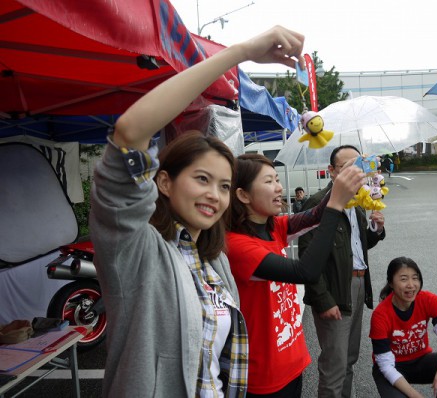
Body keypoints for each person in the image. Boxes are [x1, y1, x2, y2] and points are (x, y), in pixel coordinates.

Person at [89, 26, 306, 397]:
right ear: (164, 182)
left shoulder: (212, 261)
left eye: (224, 186)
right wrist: (241, 52)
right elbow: (128, 133)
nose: (215, 195)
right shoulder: (136, 249)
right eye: (202, 179)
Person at [226, 153, 366, 396]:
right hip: (263, 377)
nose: (279, 187)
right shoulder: (237, 246)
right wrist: (335, 204)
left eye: (277, 179)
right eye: (268, 182)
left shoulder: (274, 227)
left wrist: (341, 183)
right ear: (242, 194)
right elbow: (306, 271)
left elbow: (317, 215)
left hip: (291, 363)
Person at [299, 144, 386, 398]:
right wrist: (323, 300)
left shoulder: (359, 202)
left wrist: (375, 230)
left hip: (359, 285)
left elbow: (356, 249)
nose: (354, 172)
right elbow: (307, 258)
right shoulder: (318, 204)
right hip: (335, 290)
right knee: (334, 365)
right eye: (346, 167)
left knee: (349, 358)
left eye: (358, 166)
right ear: (332, 172)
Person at [369, 257, 437, 398]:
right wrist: (417, 396)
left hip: (420, 361)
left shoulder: (429, 300)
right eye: (403, 279)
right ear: (391, 283)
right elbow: (386, 366)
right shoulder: (380, 315)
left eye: (415, 278)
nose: (411, 285)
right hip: (390, 368)